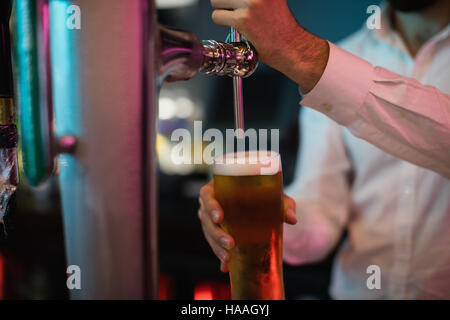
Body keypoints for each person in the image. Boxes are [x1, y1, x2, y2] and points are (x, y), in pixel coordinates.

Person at [198, 0, 450, 299]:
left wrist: (299, 52)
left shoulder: (330, 71)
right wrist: (265, 220)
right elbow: (321, 212)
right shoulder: (347, 56)